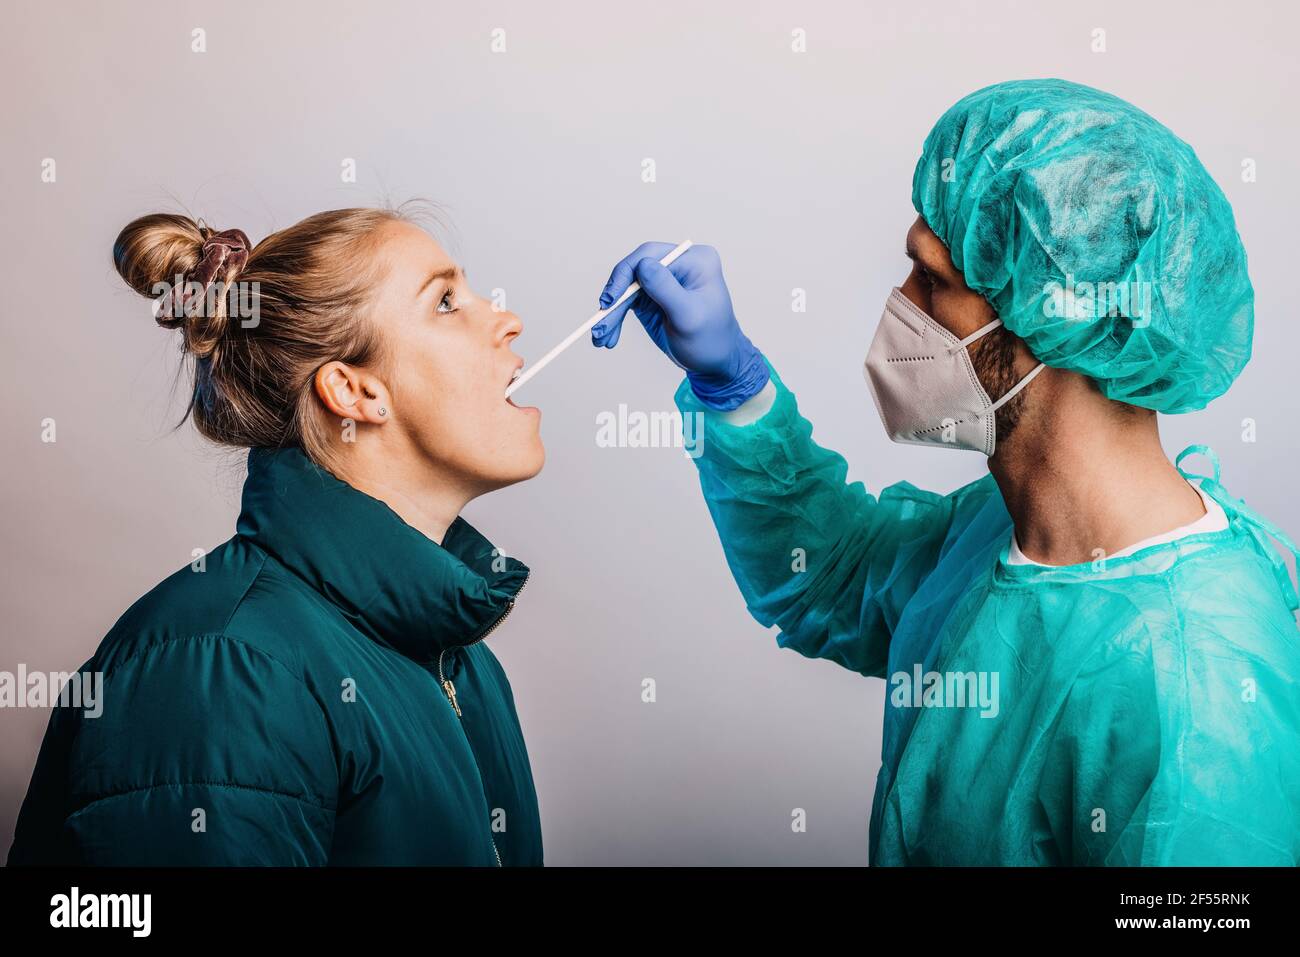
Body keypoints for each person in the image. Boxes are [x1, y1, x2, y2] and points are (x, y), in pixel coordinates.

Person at [591, 79, 1300, 865]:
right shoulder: (1004, 533)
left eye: (931, 280)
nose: (900, 304)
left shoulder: (1196, 684)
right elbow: (832, 576)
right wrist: (734, 387)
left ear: (1051, 315)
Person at [8, 206, 545, 865]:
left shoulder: (463, 665)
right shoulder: (222, 670)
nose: (507, 318)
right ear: (353, 390)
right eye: (444, 301)